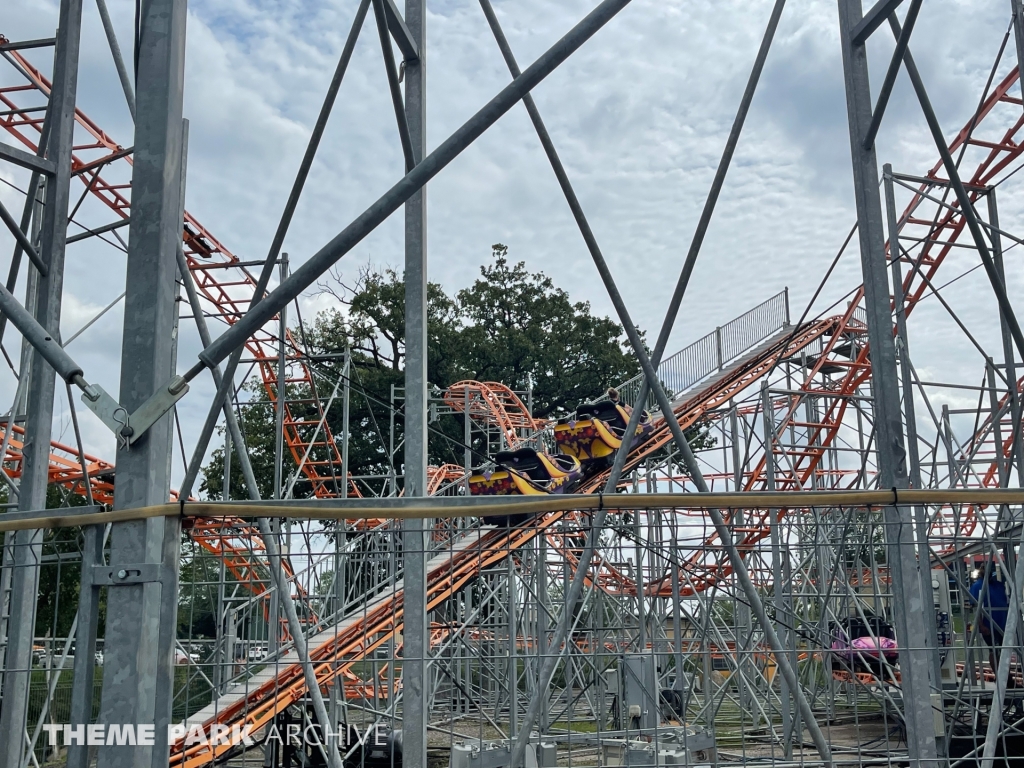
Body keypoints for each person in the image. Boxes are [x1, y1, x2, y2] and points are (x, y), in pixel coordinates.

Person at [969, 561, 1012, 683]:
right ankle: (1001, 678)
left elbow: (1007, 602)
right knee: (994, 649)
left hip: (1003, 623)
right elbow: (975, 608)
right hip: (989, 625)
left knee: (1005, 650)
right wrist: (981, 625)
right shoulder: (978, 586)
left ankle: (1007, 676)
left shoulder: (999, 586)